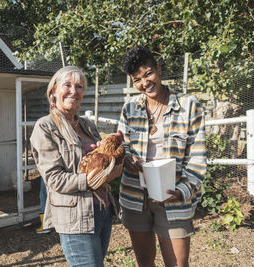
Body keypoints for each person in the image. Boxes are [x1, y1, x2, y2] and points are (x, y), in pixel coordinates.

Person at [118, 46, 206, 267]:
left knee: (176, 264)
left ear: (159, 68)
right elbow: (123, 147)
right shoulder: (130, 108)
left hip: (173, 197)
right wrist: (128, 159)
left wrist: (182, 192)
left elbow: (197, 157)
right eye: (137, 79)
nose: (144, 83)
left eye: (148, 74)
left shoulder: (188, 106)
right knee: (144, 261)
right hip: (135, 196)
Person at [30, 66, 123, 267]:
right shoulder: (45, 127)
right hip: (76, 218)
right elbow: (54, 179)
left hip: (102, 210)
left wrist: (113, 162)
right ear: (53, 90)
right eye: (67, 85)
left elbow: (103, 162)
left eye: (79, 86)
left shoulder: (87, 125)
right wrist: (93, 180)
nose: (74, 91)